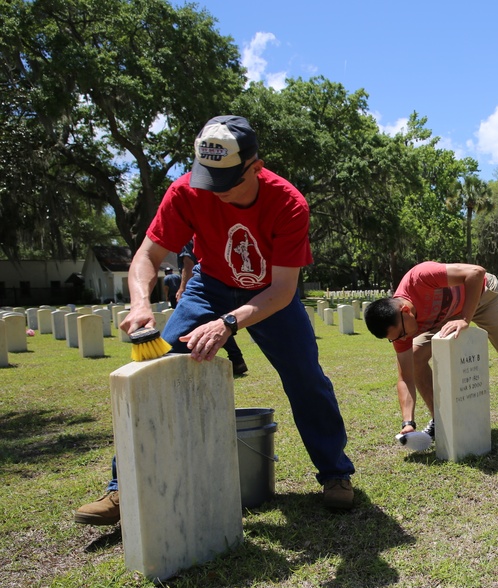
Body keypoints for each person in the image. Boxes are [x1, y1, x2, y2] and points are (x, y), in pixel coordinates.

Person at [73, 115, 355, 526]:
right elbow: (147, 257)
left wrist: (228, 323)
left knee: (306, 378)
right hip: (210, 285)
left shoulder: (289, 203)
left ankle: (335, 474)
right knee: (155, 372)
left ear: (255, 166)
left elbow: (281, 290)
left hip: (269, 295)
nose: (216, 193)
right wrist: (139, 302)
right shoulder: (186, 190)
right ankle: (124, 489)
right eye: (210, 181)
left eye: (228, 183)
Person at [364, 261, 498, 450]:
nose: (404, 338)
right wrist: (408, 421)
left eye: (402, 334)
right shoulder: (400, 327)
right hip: (448, 315)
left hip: (483, 296)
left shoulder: (420, 277)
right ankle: (440, 422)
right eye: (397, 338)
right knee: (415, 359)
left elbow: (476, 272)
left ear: (405, 310)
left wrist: (465, 318)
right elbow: (405, 377)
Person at [177, 240, 248, 377]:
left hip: (206, 285)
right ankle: (237, 359)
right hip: (212, 281)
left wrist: (183, 289)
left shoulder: (185, 240)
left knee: (218, 326)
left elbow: (188, 264)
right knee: (217, 326)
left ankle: (236, 359)